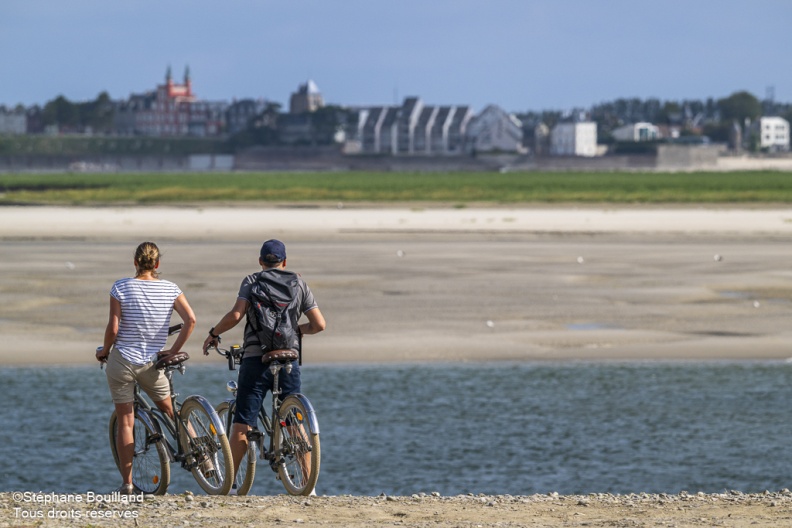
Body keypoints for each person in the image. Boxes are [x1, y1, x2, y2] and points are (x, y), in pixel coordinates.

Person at [202, 239, 325, 489]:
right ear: (285, 262)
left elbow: (237, 315)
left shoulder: (251, 281)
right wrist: (294, 331)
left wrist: (214, 333)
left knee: (243, 422)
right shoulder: (299, 282)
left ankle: (229, 485)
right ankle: (307, 485)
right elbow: (319, 325)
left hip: (256, 359)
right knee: (294, 421)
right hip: (288, 357)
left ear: (260, 261)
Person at [96, 241, 196, 495]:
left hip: (122, 362)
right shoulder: (171, 289)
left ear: (135, 262)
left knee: (126, 422)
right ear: (157, 264)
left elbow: (114, 330)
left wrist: (104, 351)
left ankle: (128, 484)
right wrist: (173, 350)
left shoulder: (121, 287)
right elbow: (191, 320)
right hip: (152, 362)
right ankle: (205, 460)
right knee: (172, 411)